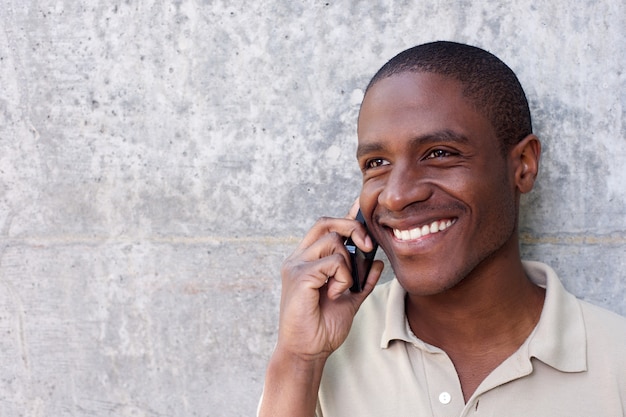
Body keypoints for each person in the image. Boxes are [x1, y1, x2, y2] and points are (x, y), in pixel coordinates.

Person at [258, 41, 626, 417]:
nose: (396, 196)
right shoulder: (322, 352)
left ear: (524, 165)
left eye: (439, 153)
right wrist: (298, 360)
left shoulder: (617, 362)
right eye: (377, 162)